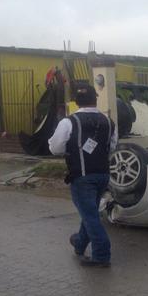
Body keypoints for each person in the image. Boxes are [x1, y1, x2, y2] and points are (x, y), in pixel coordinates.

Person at [48, 85, 117, 267]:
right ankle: (79, 243)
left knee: (90, 216)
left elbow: (55, 148)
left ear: (76, 101)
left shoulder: (68, 122)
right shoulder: (109, 121)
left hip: (81, 176)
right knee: (90, 213)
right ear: (96, 99)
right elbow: (113, 146)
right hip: (103, 175)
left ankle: (101, 255)